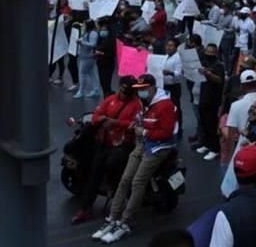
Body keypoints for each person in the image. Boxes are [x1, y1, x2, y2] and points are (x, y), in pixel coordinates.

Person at [94, 73, 178, 244]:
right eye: (140, 90)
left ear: (153, 87)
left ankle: (125, 221)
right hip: (143, 144)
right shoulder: (147, 103)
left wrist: (144, 132)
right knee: (125, 179)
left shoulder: (165, 106)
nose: (142, 92)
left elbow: (167, 133)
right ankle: (112, 218)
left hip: (158, 148)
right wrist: (138, 127)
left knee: (137, 182)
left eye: (144, 89)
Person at [71, 76, 143, 225]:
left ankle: (116, 201)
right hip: (105, 143)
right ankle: (85, 209)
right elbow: (96, 115)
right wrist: (103, 120)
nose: (123, 93)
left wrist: (116, 123)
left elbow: (135, 124)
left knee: (112, 165)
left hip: (123, 144)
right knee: (94, 174)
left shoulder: (137, 105)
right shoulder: (110, 99)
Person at [195, 43, 226, 161]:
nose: (209, 54)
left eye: (211, 52)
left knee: (212, 124)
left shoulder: (218, 65)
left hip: (213, 100)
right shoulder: (204, 63)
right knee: (204, 123)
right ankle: (207, 144)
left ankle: (215, 148)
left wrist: (208, 74)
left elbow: (219, 80)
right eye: (207, 51)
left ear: (216, 53)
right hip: (203, 97)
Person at [161, 38, 184, 139]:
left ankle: (179, 128)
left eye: (171, 46)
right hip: (164, 85)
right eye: (167, 45)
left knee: (175, 107)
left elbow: (179, 74)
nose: (168, 48)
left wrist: (169, 72)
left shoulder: (177, 58)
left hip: (173, 86)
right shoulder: (165, 56)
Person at [75, 20, 101, 99]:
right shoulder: (87, 32)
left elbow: (93, 44)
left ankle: (81, 91)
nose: (83, 26)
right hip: (86, 56)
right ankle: (96, 90)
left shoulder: (93, 33)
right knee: (91, 73)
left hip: (88, 57)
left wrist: (82, 42)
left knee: (82, 73)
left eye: (84, 25)